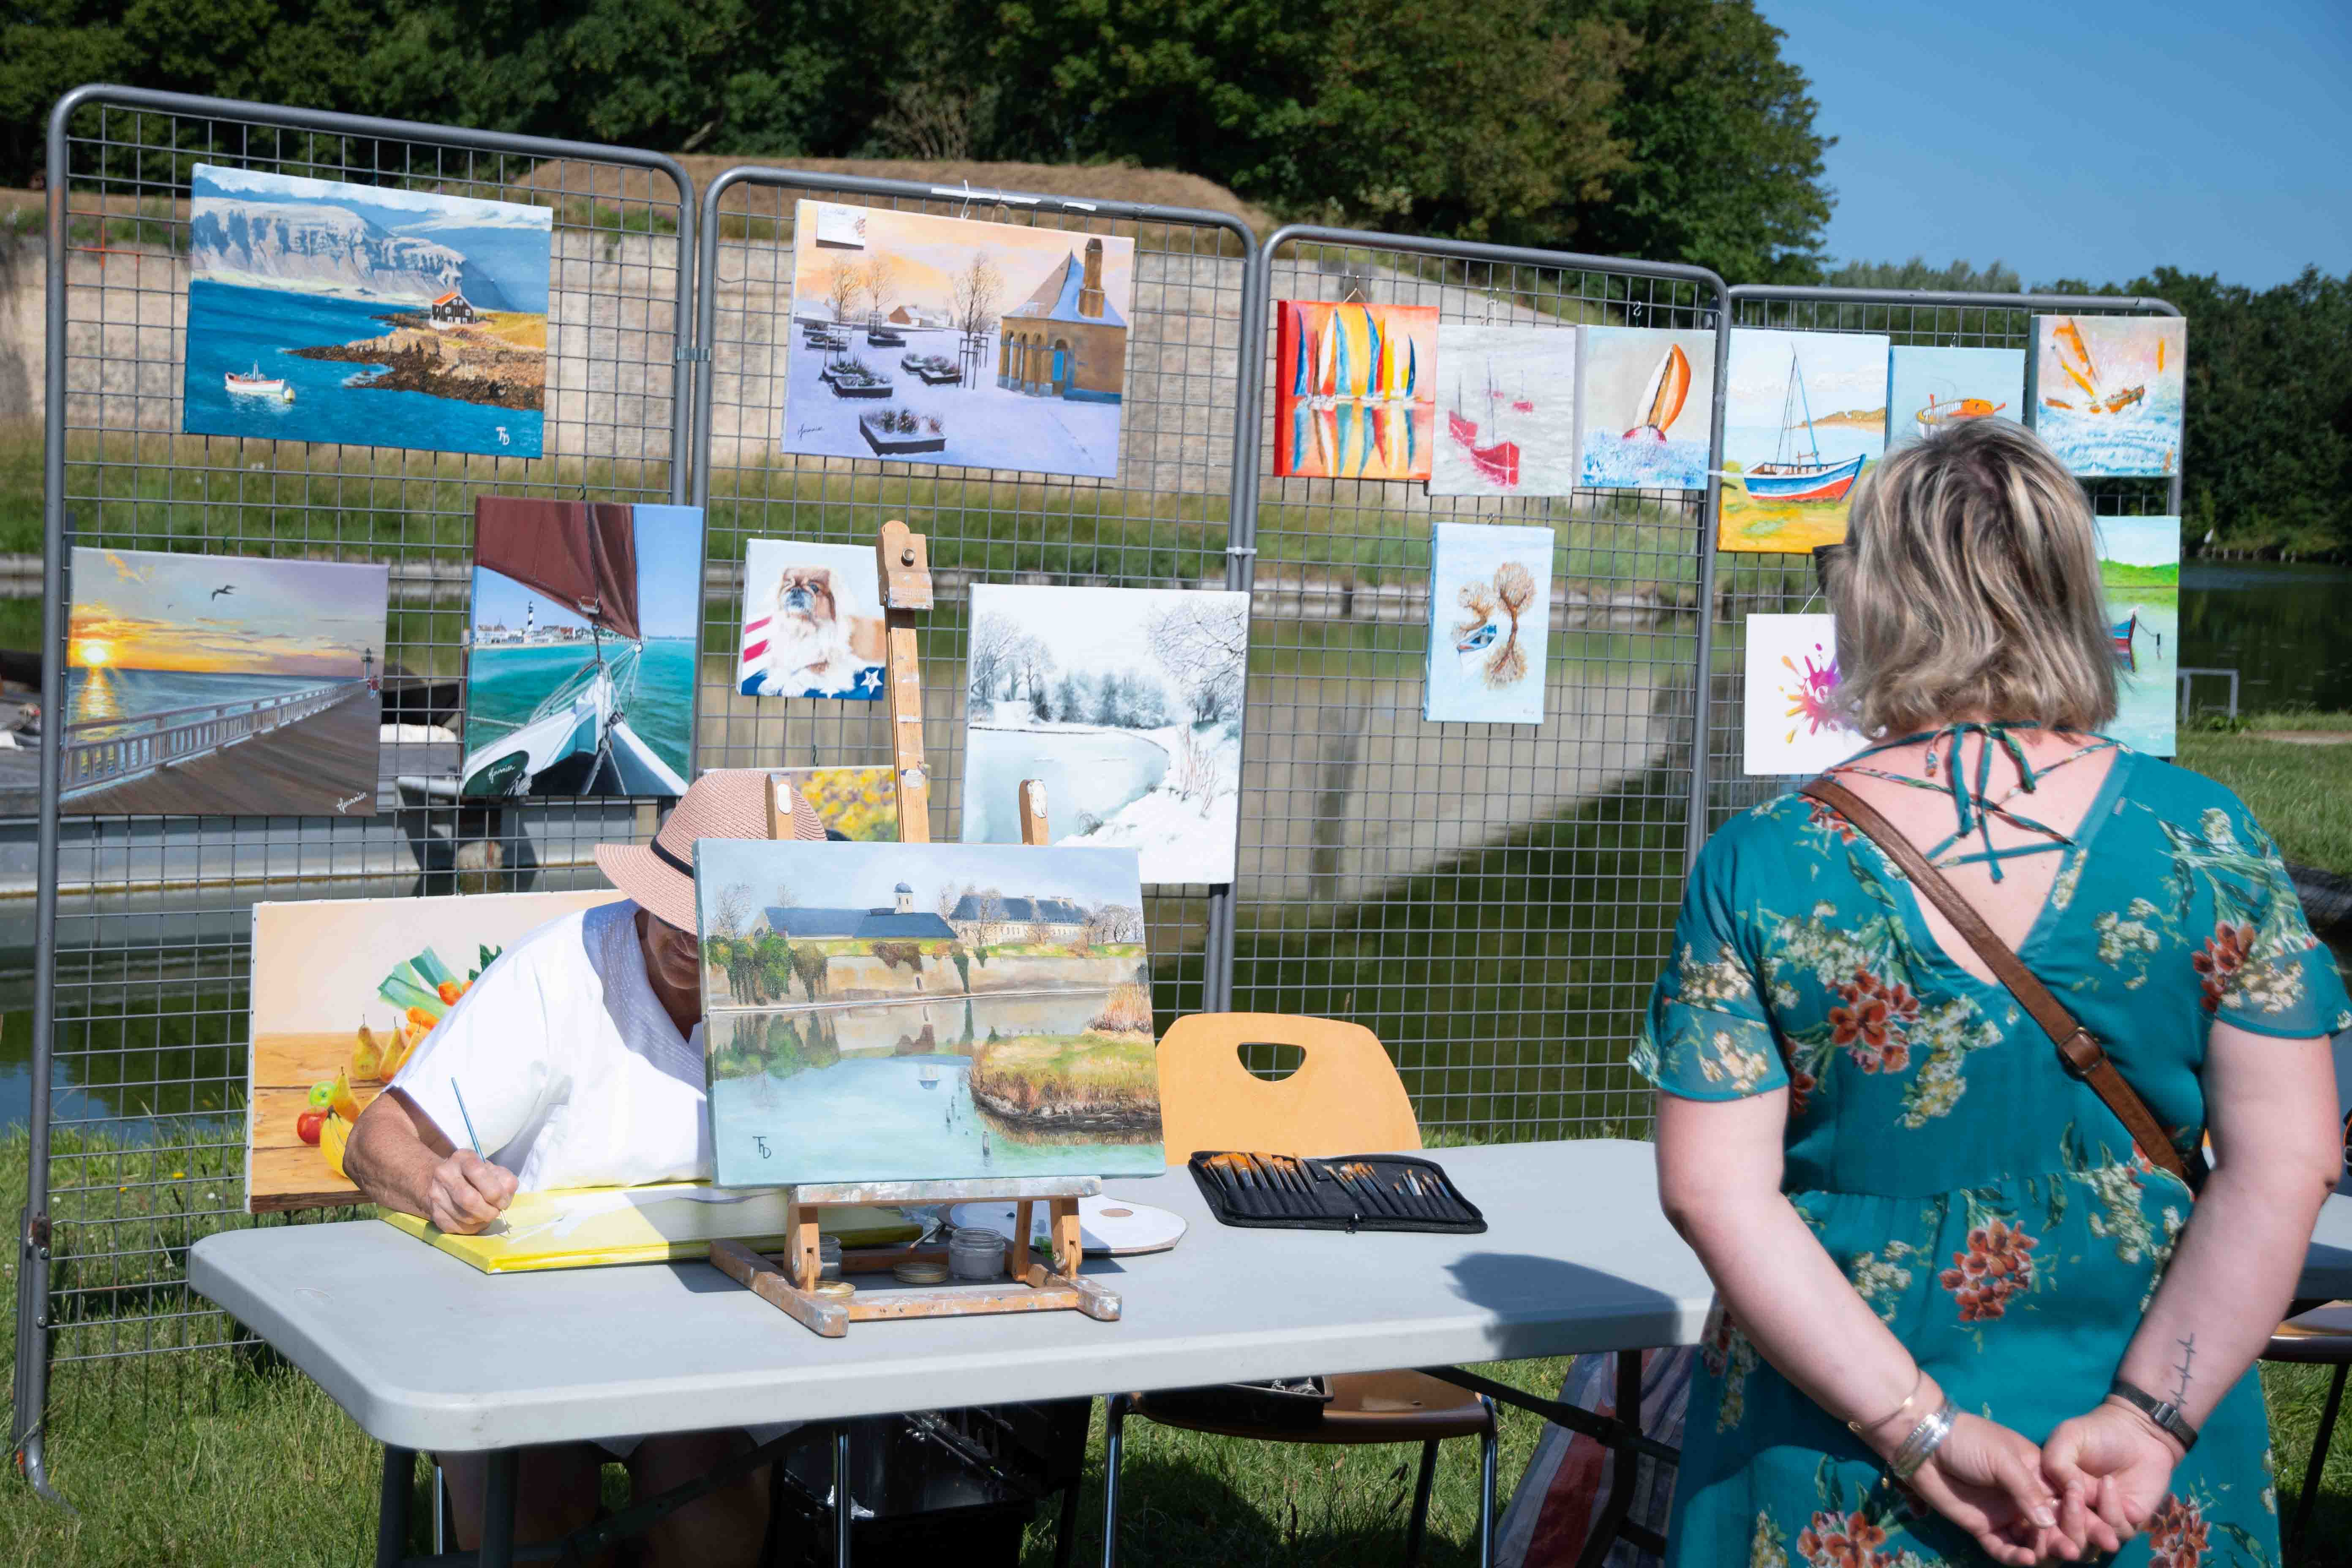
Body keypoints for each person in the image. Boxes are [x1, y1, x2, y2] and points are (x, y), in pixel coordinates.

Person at [1639, 419, 2348, 1566]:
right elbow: (2290, 1159)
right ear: (2073, 591)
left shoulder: (1763, 862)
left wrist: (1920, 1431)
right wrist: (2150, 1423)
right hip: (2138, 1467)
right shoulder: (2207, 842)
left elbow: (1716, 1195)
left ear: (1869, 595)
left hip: (1836, 1443)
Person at [346, 770, 824, 1567]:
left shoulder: (808, 998)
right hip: (530, 1328)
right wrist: (440, 1181)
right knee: (527, 1524)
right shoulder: (557, 974)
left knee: (708, 1523)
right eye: (673, 908)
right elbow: (376, 1139)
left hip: (719, 1333)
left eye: (718, 926)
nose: (686, 937)